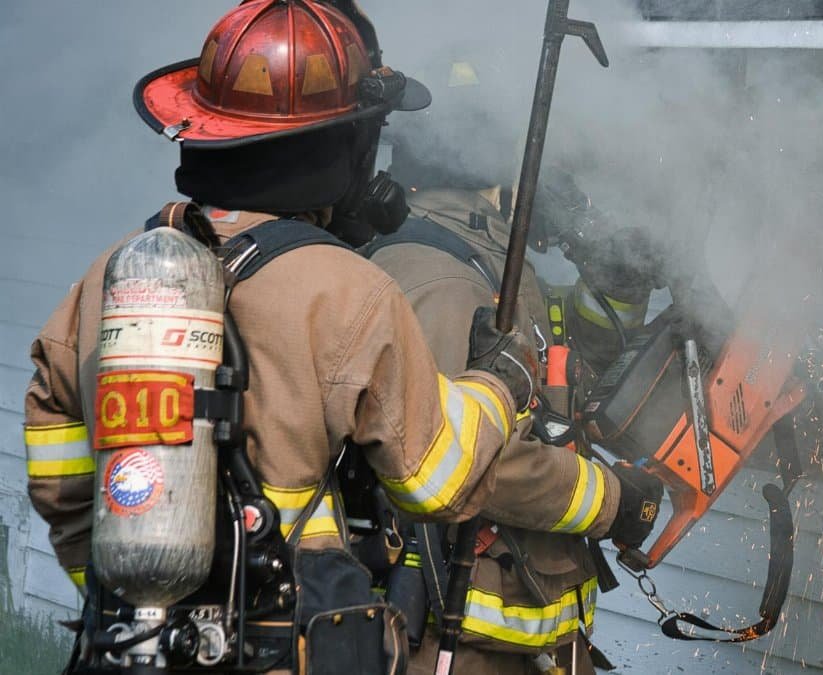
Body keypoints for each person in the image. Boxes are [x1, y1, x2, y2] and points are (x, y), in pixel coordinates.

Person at [20, 2, 582, 672]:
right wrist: (502, 377)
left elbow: (60, 484)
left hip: (133, 648)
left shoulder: (106, 282)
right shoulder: (348, 290)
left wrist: (139, 602)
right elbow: (438, 479)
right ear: (342, 144)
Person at [363, 161, 665, 673]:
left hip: (517, 637)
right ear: (503, 176)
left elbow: (559, 366)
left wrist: (621, 284)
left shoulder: (484, 260)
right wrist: (613, 500)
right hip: (461, 646)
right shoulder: (448, 281)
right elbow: (462, 460)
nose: (566, 192)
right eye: (554, 174)